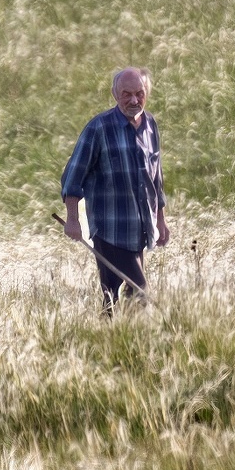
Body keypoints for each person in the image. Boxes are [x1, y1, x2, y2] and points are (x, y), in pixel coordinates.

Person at [61, 67, 170, 312]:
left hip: (140, 229)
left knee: (112, 296)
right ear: (114, 94)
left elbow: (156, 179)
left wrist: (161, 221)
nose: (134, 100)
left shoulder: (150, 124)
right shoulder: (98, 128)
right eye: (126, 94)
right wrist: (72, 220)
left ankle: (114, 341)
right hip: (109, 229)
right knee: (139, 289)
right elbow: (72, 176)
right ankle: (140, 339)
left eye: (140, 94)